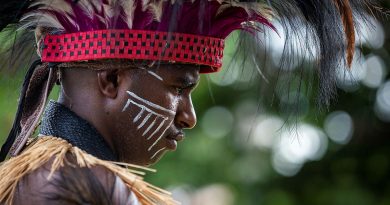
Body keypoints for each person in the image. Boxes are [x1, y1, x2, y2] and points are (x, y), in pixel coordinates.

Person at [0, 0, 379, 204]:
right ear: (112, 79)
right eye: (179, 88)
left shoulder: (47, 177)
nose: (189, 117)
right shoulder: (81, 186)